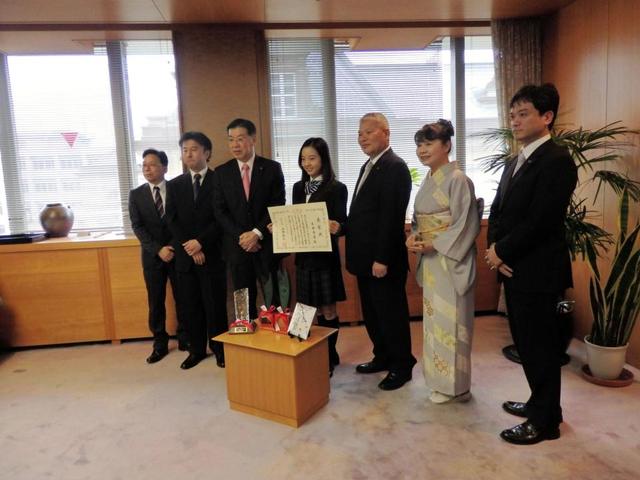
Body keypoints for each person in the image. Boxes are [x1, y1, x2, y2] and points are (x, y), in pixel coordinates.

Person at [486, 83, 577, 445]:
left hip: (538, 271)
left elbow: (541, 221)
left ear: (547, 116)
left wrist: (503, 252)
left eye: (523, 114)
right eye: (512, 115)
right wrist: (494, 249)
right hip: (513, 267)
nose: (515, 121)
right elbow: (498, 211)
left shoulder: (557, 160)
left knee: (541, 347)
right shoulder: (516, 160)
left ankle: (545, 422)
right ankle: (541, 404)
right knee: (526, 344)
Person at [336, 112, 416, 391]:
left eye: (369, 132)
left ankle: (402, 365)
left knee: (391, 314)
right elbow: (363, 214)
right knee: (372, 314)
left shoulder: (395, 167)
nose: (362, 138)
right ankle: (382, 356)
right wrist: (341, 227)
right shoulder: (368, 166)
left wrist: (381, 258)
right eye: (360, 134)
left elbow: (390, 218)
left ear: (386, 133)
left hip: (383, 261)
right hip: (364, 259)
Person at [405, 120, 480, 404]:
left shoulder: (458, 179)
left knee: (452, 321)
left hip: (449, 261)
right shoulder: (429, 179)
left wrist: (434, 243)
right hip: (432, 260)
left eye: (429, 143)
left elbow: (465, 224)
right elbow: (420, 221)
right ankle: (438, 380)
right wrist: (414, 237)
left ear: (447, 145)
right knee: (434, 322)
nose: (422, 150)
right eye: (419, 145)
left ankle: (455, 387)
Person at [165, 132, 228, 370]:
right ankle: (196, 350)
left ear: (206, 152)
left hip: (213, 254)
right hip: (186, 257)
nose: (188, 154)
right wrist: (190, 246)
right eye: (185, 150)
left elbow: (221, 217)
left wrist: (201, 242)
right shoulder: (174, 185)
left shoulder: (220, 180)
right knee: (190, 305)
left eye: (193, 149)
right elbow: (171, 219)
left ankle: (219, 349)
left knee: (215, 305)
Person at [213, 118, 286, 319]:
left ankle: (275, 335)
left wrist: (256, 233)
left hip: (266, 245)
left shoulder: (272, 168)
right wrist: (243, 237)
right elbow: (220, 211)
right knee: (243, 303)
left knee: (274, 300)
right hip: (237, 248)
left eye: (240, 139)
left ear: (253, 139)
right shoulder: (221, 172)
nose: (235, 145)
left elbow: (277, 204)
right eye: (231, 139)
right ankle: (247, 335)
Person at [292, 138, 347, 375]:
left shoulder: (337, 188)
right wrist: (281, 227)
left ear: (323, 159)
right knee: (304, 309)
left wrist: (338, 227)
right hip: (304, 257)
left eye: (312, 158)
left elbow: (343, 223)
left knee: (328, 310)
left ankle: (329, 356)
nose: (307, 163)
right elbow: (296, 220)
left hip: (325, 258)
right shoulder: (298, 187)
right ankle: (303, 356)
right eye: (303, 159)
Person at [128, 149, 188, 364]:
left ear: (164, 167)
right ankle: (159, 343)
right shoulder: (136, 194)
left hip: (177, 253)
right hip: (152, 257)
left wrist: (172, 247)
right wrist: (158, 249)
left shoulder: (177, 190)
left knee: (183, 297)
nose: (147, 169)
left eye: (152, 164)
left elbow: (184, 221)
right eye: (144, 165)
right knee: (155, 301)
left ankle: (184, 337)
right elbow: (138, 227)